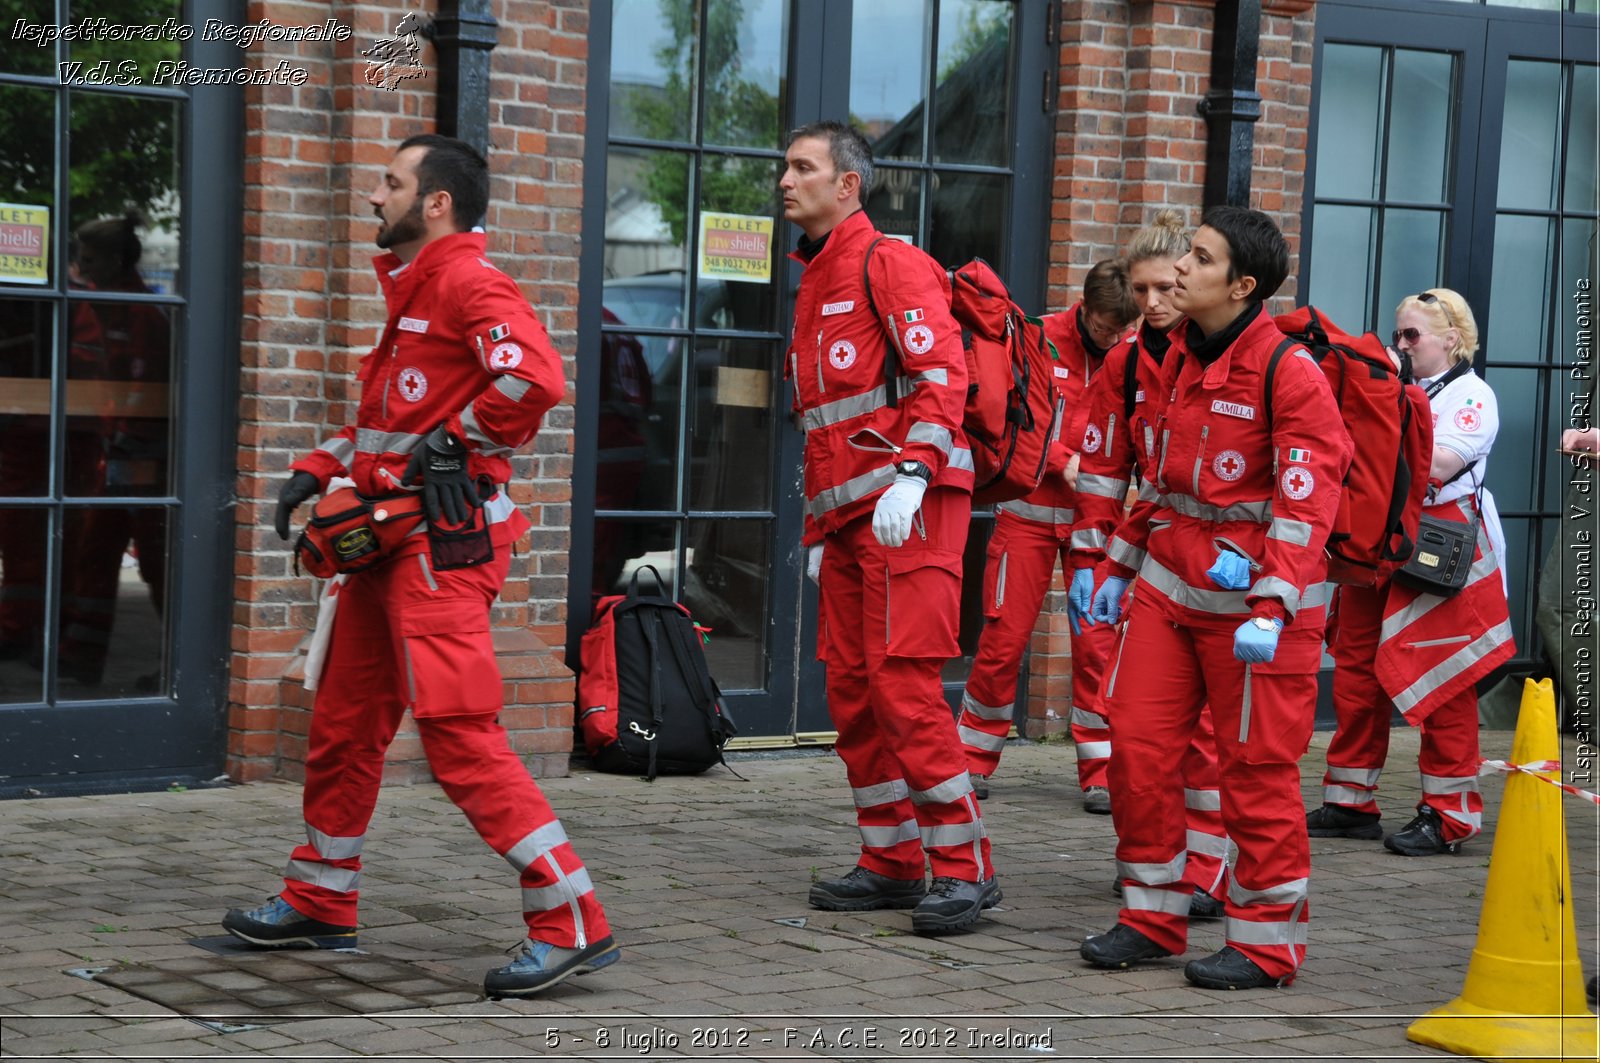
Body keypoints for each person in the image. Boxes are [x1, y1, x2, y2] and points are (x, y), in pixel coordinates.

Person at [222, 135, 618, 999]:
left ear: (436, 202)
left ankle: (572, 917)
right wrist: (320, 467)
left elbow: (537, 380)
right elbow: (389, 425)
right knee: (343, 721)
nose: (375, 195)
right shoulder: (413, 293)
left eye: (391, 183)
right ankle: (321, 898)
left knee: (459, 733)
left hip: (439, 550)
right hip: (384, 547)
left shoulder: (467, 282)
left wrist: (456, 445)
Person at [1078, 206, 1352, 990]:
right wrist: (1113, 564)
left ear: (1241, 285)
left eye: (1198, 259)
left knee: (1256, 770)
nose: (1179, 271)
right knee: (1136, 749)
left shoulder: (1286, 371)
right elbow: (1160, 486)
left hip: (1260, 611)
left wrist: (1271, 604)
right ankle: (1149, 916)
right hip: (1171, 591)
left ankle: (1266, 945)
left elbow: (1306, 502)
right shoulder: (1165, 359)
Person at [783, 120, 998, 934]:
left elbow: (942, 377)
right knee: (854, 693)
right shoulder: (815, 276)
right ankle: (892, 859)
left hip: (908, 513)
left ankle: (963, 867)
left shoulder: (888, 261)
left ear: (848, 185)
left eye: (803, 167)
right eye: (787, 166)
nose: (786, 180)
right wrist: (820, 531)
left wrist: (912, 474)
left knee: (906, 693)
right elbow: (827, 424)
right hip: (847, 523)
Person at [1307, 289, 1513, 856]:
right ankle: (1349, 802)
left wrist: (1370, 424)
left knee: (1444, 677)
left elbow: (1438, 464)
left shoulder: (1473, 395)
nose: (1400, 344)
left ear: (1452, 339)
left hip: (1437, 541)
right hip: (1384, 536)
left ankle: (1449, 814)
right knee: (1354, 669)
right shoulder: (1395, 389)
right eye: (1396, 333)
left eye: (1412, 335)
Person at [1069, 209, 1230, 919]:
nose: (1152, 303)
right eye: (1139, 290)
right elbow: (1103, 470)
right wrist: (1090, 558)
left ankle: (1206, 865)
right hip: (1156, 558)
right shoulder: (1126, 361)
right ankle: (1159, 872)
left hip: (1225, 568)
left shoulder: (1233, 356)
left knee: (1206, 739)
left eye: (1165, 286)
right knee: (1145, 733)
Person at [954, 260, 1137, 812]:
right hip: (1028, 513)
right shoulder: (1037, 338)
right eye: (1106, 327)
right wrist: (1062, 460)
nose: (1112, 339)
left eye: (1121, 330)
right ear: (1084, 308)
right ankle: (971, 759)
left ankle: (1101, 771)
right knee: (1001, 641)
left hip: (1093, 521)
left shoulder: (1132, 356)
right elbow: (1019, 419)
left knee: (1096, 646)